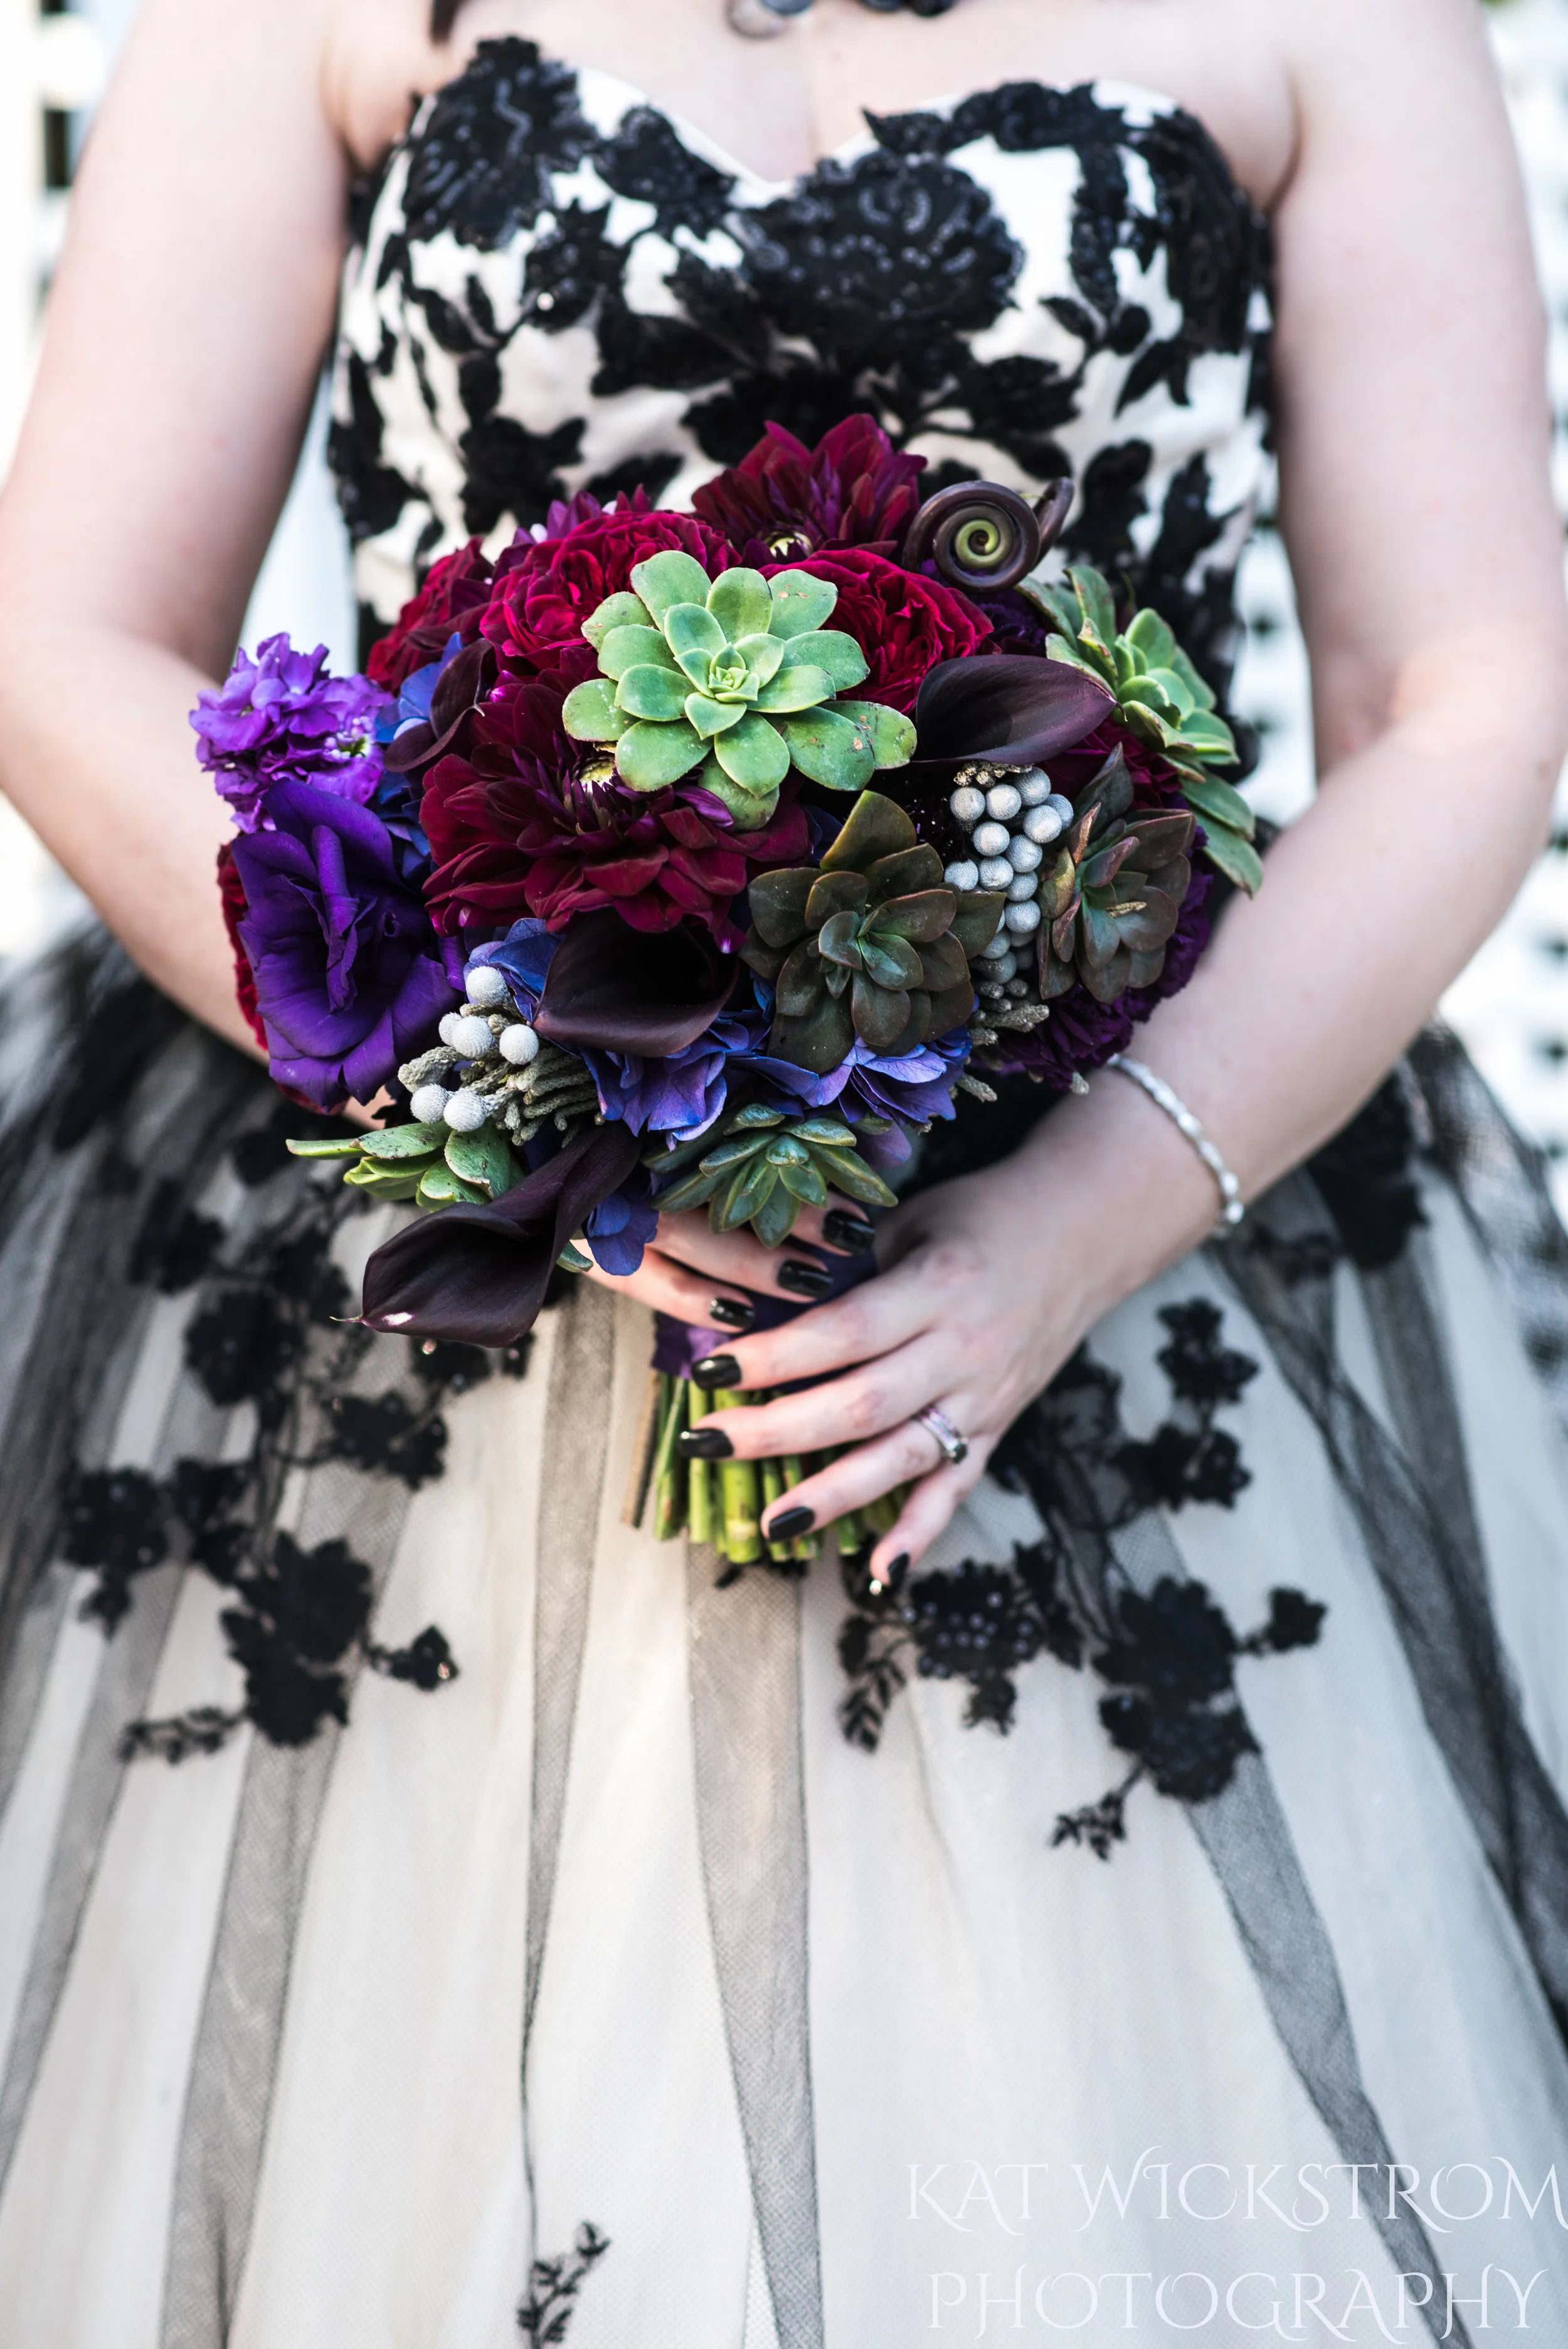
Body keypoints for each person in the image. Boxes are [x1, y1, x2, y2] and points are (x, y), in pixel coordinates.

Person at [0, 0, 1565, 2338]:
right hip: (428, 1227)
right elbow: (66, 635)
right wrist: (524, 1103)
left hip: (1123, 1226)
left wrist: (1059, 1238)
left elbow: (1462, 694)